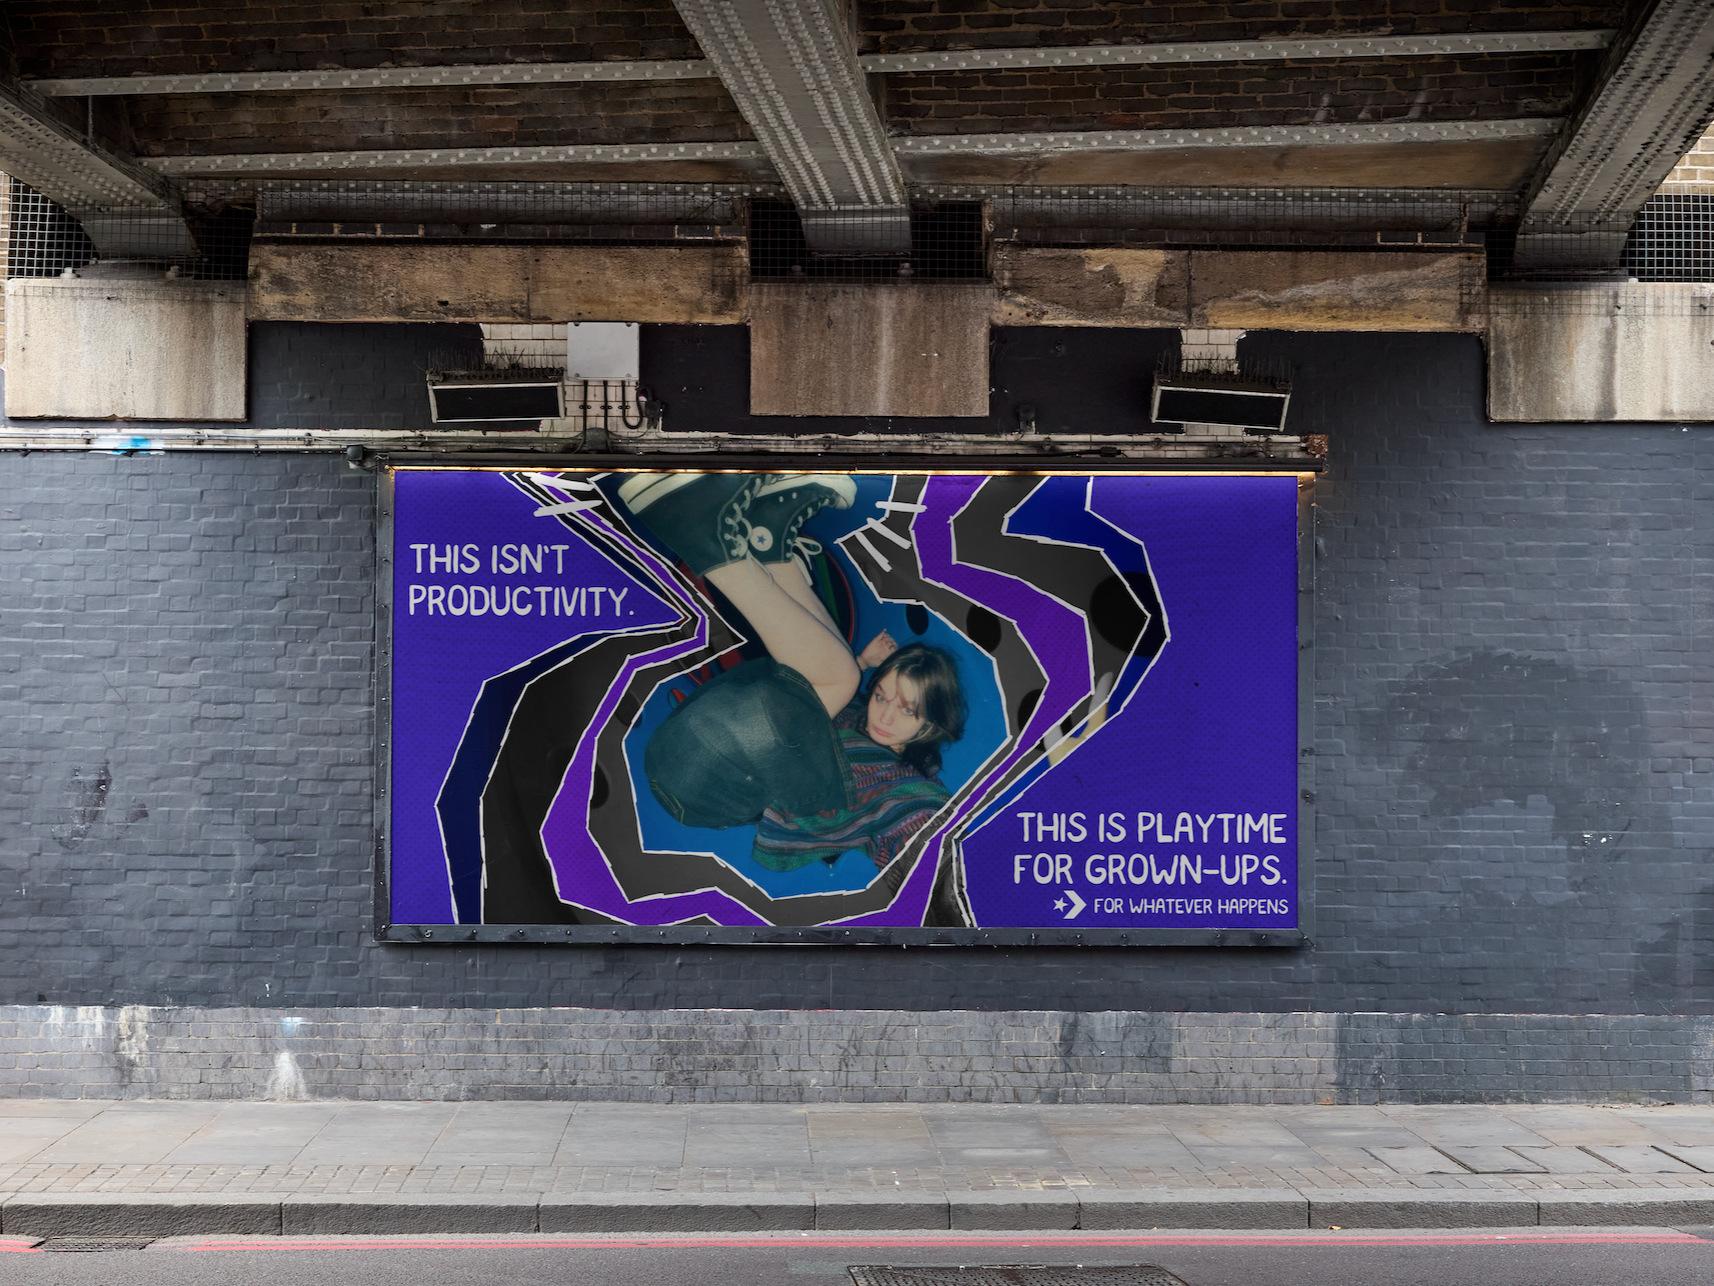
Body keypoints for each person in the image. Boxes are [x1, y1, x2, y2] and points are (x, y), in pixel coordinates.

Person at [614, 471, 967, 874]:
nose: (883, 715)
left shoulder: (906, 789)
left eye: (907, 709)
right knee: (835, 668)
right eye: (882, 695)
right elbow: (821, 690)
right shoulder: (860, 725)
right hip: (694, 749)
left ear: (931, 722)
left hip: (708, 784)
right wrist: (863, 662)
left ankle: (696, 531)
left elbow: (925, 837)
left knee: (839, 678)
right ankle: (771, 544)